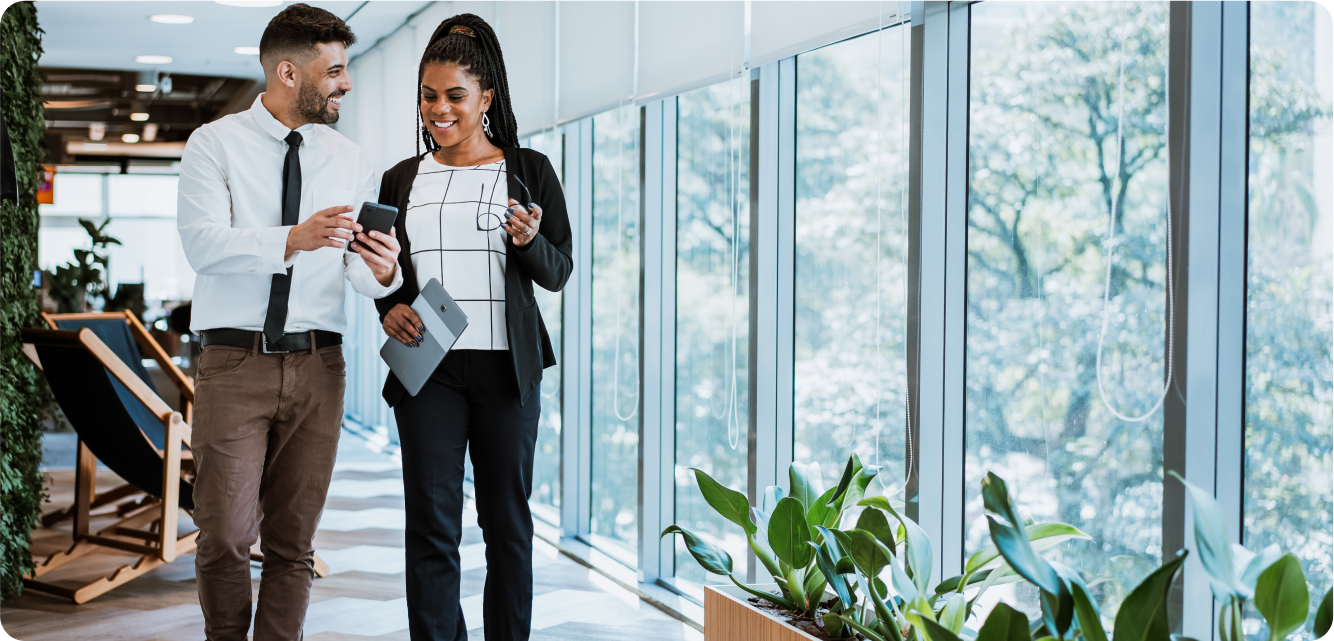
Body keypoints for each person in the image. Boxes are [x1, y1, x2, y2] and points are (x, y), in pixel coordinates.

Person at [176, 5, 403, 640]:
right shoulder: (213, 144)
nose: (346, 84)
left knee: (292, 541)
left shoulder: (353, 160)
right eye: (334, 71)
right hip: (233, 362)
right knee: (222, 533)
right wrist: (293, 239)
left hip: (319, 366)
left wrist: (383, 271)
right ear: (286, 72)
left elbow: (357, 276)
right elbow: (202, 245)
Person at [373, 13, 572, 641]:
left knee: (507, 525)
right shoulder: (401, 179)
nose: (439, 109)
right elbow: (386, 271)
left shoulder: (528, 169)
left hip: (505, 370)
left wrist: (530, 240)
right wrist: (388, 306)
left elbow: (558, 272)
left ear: (486, 97)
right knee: (431, 524)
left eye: (455, 96)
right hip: (428, 364)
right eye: (429, 96)